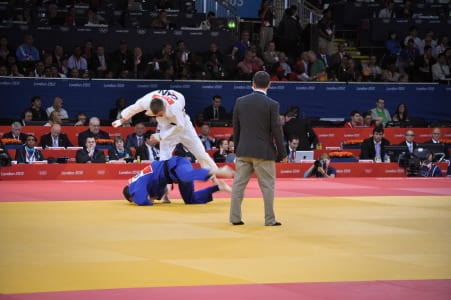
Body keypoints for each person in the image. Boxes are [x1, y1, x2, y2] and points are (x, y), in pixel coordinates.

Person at [229, 71, 287, 226]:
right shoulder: (272, 104)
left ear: (252, 83)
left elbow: (236, 128)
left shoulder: (240, 101)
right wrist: (283, 154)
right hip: (263, 152)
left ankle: (234, 218)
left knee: (238, 185)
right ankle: (269, 219)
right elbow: (276, 131)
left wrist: (237, 149)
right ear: (269, 85)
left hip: (243, 150)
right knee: (267, 186)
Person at [111, 89, 217, 170]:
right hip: (165, 126)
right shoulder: (146, 101)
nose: (159, 116)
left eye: (160, 114)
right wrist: (121, 120)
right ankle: (164, 190)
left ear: (164, 108)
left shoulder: (174, 108)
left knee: (200, 153)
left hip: (184, 126)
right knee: (164, 157)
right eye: (156, 115)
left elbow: (180, 127)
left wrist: (161, 136)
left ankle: (215, 174)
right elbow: (133, 108)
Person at [122, 156, 233, 206]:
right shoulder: (145, 181)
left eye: (132, 200)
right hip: (175, 175)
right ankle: (219, 187)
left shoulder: (135, 183)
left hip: (177, 165)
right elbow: (159, 191)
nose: (134, 200)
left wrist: (145, 201)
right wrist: (153, 197)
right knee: (190, 200)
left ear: (131, 196)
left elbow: (140, 199)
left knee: (185, 176)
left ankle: (217, 170)